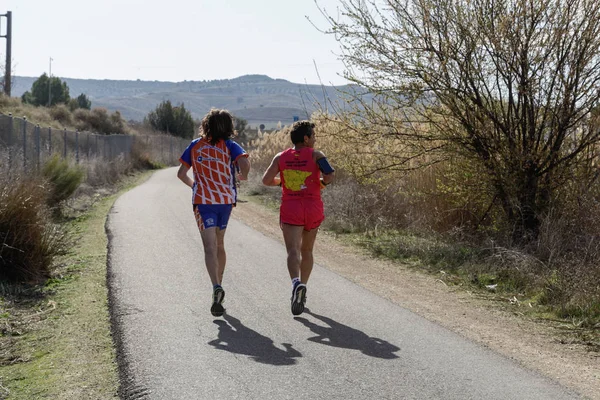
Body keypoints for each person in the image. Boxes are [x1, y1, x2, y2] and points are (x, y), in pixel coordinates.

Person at [177, 109, 250, 317]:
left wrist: (194, 186)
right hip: (225, 201)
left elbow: (181, 174)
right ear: (228, 127)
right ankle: (220, 281)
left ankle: (216, 286)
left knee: (209, 247)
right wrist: (243, 175)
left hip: (203, 202)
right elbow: (244, 163)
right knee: (219, 244)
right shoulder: (230, 145)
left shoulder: (194, 145)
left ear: (206, 125)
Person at [261, 120, 335, 316]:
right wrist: (321, 184)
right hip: (312, 207)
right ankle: (303, 285)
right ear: (306, 138)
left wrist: (284, 183)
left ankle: (295, 285)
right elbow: (329, 174)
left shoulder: (281, 157)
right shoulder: (317, 155)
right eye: (313, 136)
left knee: (293, 250)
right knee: (307, 250)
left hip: (291, 206)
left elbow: (266, 180)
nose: (315, 139)